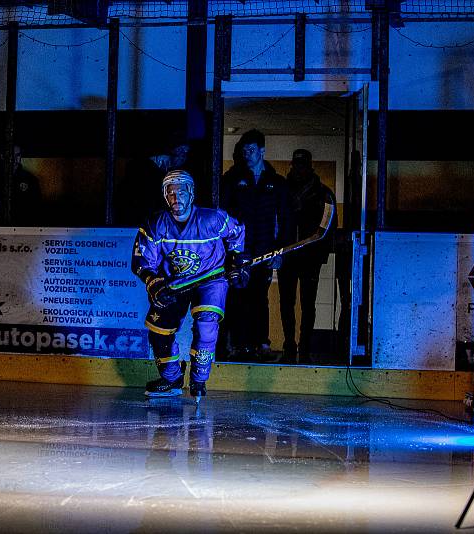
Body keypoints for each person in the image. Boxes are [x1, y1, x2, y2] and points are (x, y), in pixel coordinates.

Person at [132, 169, 248, 399]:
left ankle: (198, 380)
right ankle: (172, 378)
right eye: (171, 192)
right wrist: (154, 284)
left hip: (211, 279)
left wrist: (237, 260)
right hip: (174, 283)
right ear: (165, 196)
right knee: (159, 331)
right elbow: (142, 262)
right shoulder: (156, 224)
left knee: (207, 324)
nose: (177, 197)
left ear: (191, 193)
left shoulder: (213, 218)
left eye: (181, 191)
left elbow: (237, 232)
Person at [220, 129, 291, 361]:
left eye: (251, 150)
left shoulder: (276, 183)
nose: (247, 155)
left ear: (262, 151)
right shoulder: (231, 180)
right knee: (237, 296)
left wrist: (279, 252)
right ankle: (238, 344)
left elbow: (284, 219)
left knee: (260, 297)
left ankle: (261, 342)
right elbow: (223, 216)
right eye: (244, 151)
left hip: (265, 250)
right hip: (238, 251)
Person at [278, 149, 336, 364]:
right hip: (288, 255)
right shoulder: (283, 191)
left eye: (302, 165)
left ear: (309, 166)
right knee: (287, 302)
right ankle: (290, 344)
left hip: (309, 257)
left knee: (307, 303)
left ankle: (304, 345)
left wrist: (321, 255)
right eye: (297, 164)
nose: (299, 169)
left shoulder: (323, 194)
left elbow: (328, 227)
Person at [116, 133, 191, 227]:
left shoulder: (164, 173)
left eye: (185, 152)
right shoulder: (145, 174)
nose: (184, 156)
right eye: (182, 151)